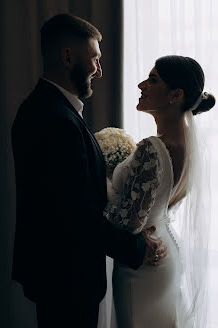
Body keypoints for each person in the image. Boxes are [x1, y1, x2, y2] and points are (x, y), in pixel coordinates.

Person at [11, 14, 167, 328]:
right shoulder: (56, 120)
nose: (99, 70)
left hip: (57, 272)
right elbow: (76, 214)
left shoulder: (47, 109)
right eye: (94, 59)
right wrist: (137, 249)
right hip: (66, 277)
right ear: (68, 57)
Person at [105, 55, 215, 327]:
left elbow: (126, 223)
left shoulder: (151, 149)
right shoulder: (188, 149)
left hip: (143, 264)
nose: (142, 84)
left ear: (175, 95)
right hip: (163, 250)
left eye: (153, 80)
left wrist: (101, 184)